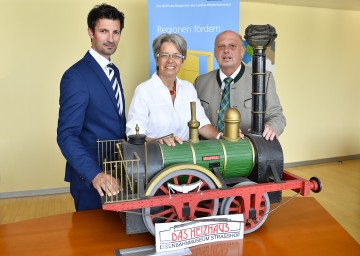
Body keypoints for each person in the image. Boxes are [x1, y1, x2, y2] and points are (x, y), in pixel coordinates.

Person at [57, 4, 126, 211]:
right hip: (92, 181)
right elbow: (67, 135)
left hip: (117, 175)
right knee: (91, 241)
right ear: (90, 32)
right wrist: (95, 174)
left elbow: (115, 124)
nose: (110, 39)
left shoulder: (113, 71)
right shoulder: (76, 76)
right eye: (103, 31)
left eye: (116, 32)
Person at [126, 33, 220, 146]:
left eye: (176, 56)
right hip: (156, 158)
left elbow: (201, 123)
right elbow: (134, 134)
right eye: (165, 55)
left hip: (187, 157)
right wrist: (158, 141)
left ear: (182, 61)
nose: (170, 60)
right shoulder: (144, 90)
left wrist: (220, 136)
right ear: (157, 59)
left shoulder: (188, 88)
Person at [194, 30, 286, 141]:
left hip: (249, 151)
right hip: (210, 153)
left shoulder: (263, 78)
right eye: (221, 46)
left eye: (232, 46)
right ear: (214, 52)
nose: (226, 50)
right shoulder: (200, 82)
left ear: (242, 51)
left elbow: (277, 116)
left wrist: (272, 127)